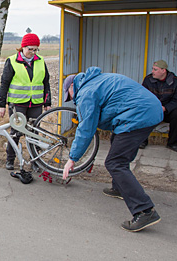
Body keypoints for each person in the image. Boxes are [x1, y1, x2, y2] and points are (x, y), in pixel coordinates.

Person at [62, 66, 163, 232]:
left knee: (115, 162)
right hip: (150, 110)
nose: (72, 100)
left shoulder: (86, 92)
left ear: (73, 87)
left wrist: (72, 158)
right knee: (118, 144)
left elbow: (86, 128)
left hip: (137, 115)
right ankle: (119, 187)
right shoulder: (97, 80)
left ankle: (145, 210)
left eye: (70, 96)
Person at [0, 33, 51, 170]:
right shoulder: (12, 61)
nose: (32, 52)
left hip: (36, 104)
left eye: (35, 49)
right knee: (15, 132)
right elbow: (4, 84)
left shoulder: (40, 61)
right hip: (17, 104)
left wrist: (47, 102)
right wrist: (1, 105)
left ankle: (35, 161)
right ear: (23, 47)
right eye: (30, 49)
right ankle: (10, 159)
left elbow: (46, 83)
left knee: (34, 133)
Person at [141, 60, 177, 152]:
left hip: (168, 111)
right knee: (142, 112)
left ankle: (172, 143)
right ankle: (142, 141)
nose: (152, 71)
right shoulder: (148, 80)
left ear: (163, 70)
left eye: (155, 69)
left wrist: (165, 108)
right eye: (152, 69)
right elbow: (143, 97)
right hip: (152, 109)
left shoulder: (176, 82)